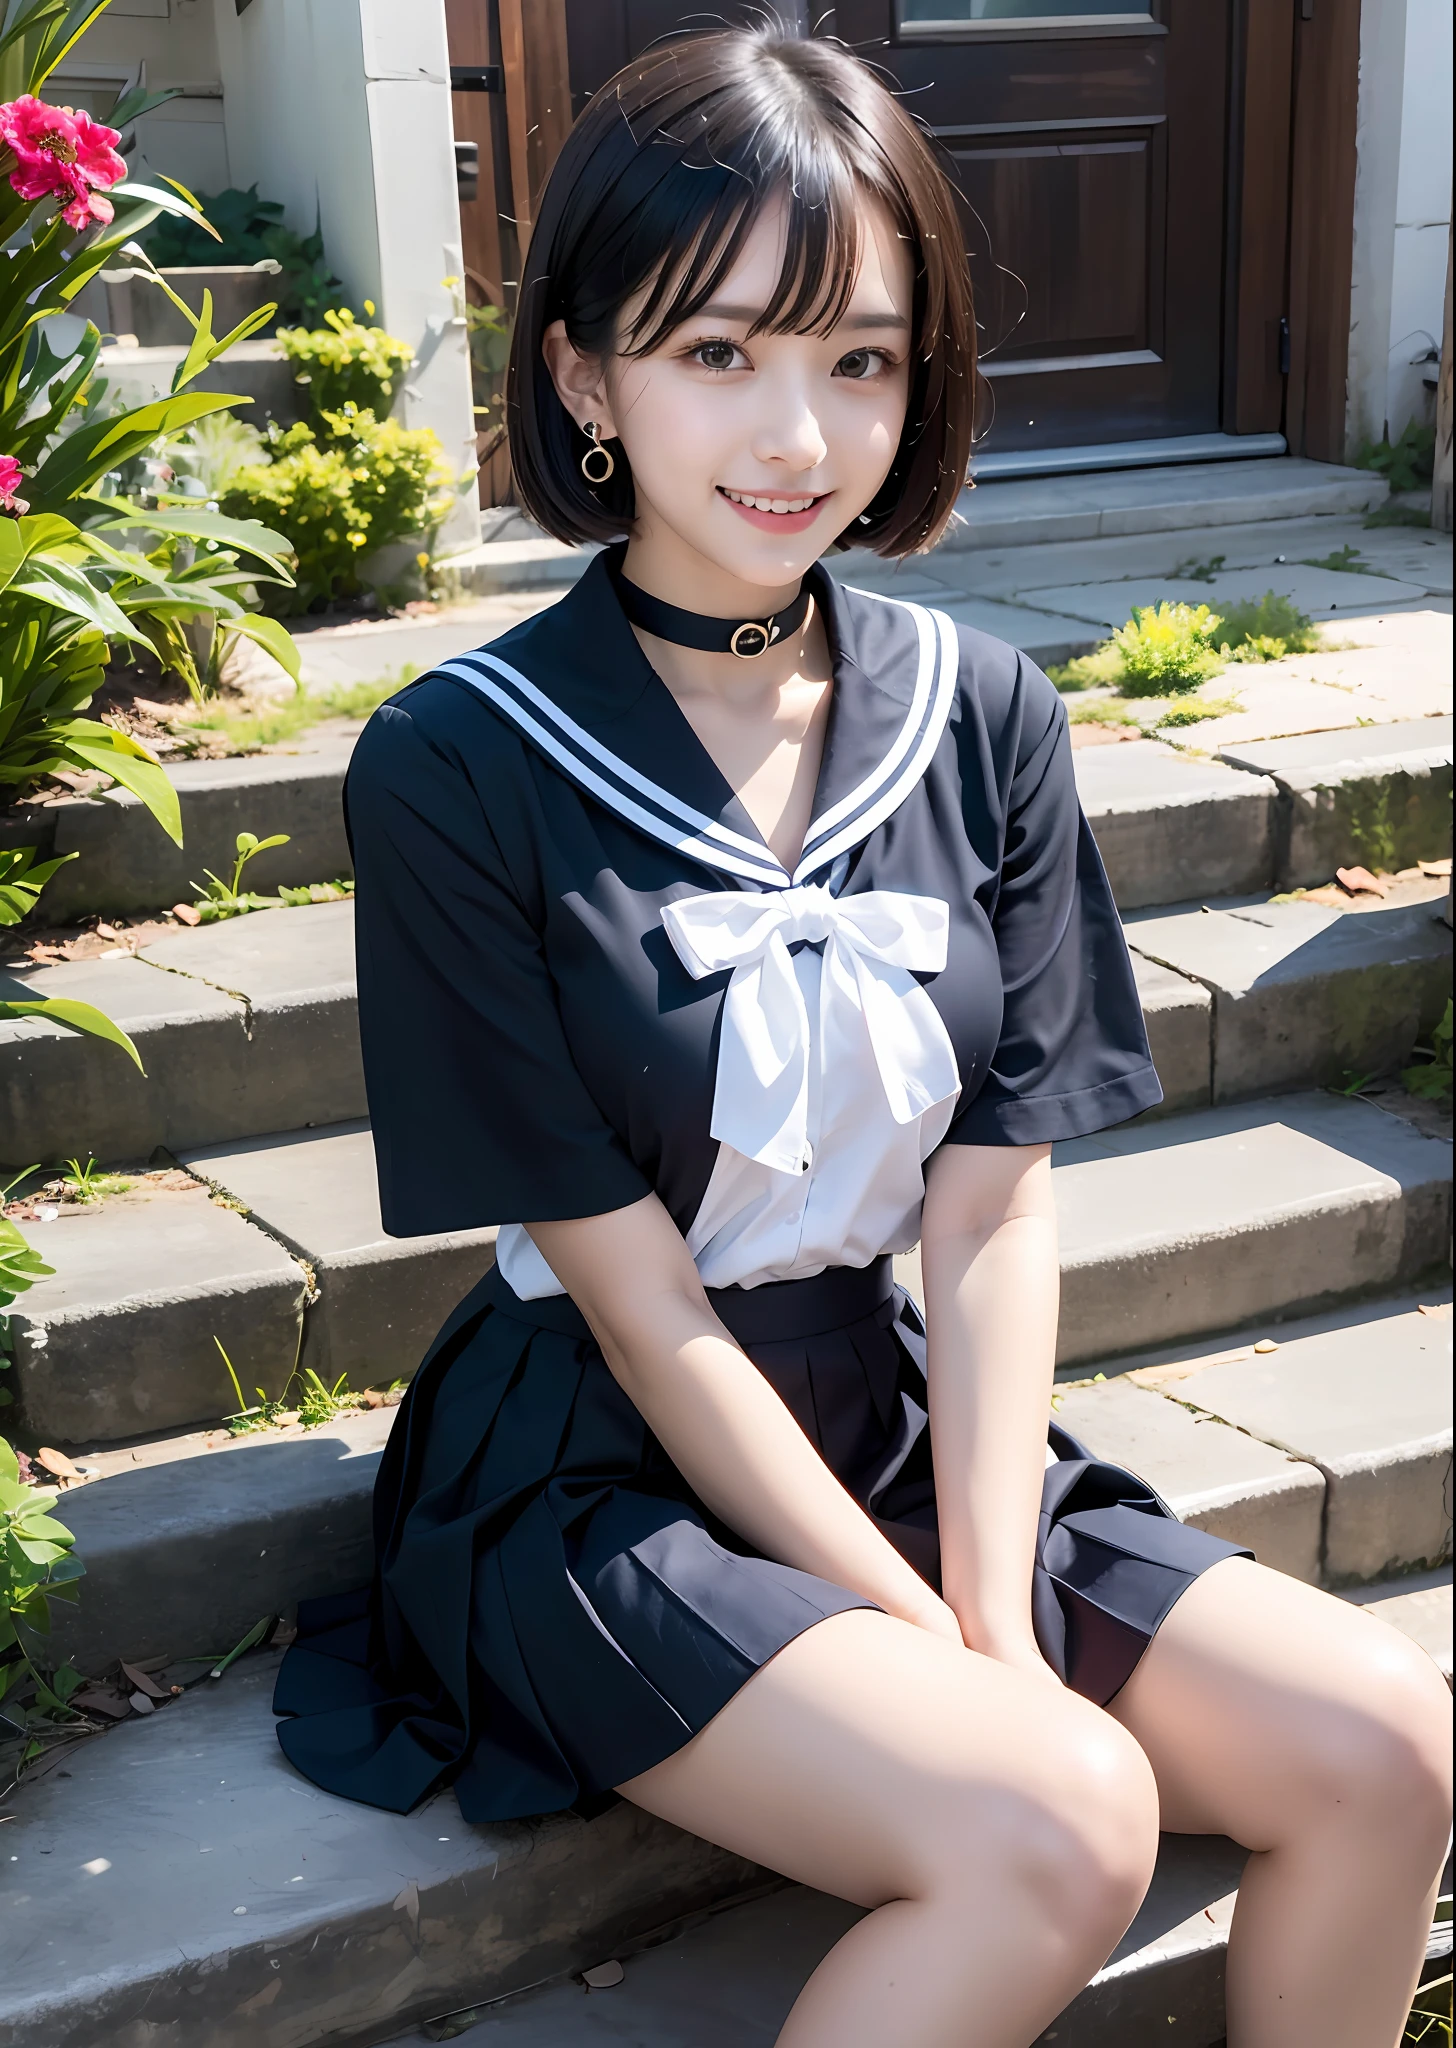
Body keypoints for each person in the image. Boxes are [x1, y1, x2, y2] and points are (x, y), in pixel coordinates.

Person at [274, 29, 1452, 2047]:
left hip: (892, 1411)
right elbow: (642, 1316)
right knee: (1054, 1818)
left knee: (1382, 1741)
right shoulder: (459, 763)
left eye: (861, 359)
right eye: (715, 353)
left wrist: (987, 1604)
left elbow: (989, 1214)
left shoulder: (982, 708)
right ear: (581, 375)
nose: (794, 434)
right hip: (592, 1461)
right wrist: (933, 1642)